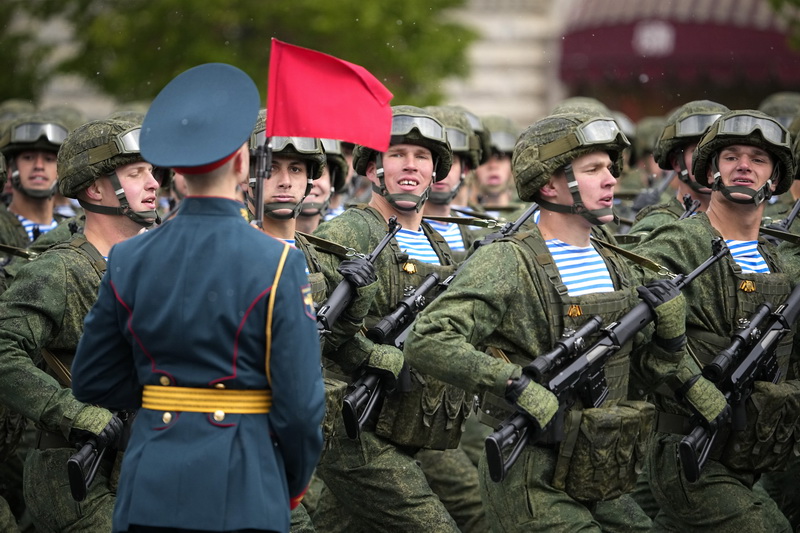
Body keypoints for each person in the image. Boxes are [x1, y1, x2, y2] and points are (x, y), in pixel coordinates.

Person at [404, 110, 727, 532]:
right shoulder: (507, 260)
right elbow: (427, 340)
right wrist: (514, 384)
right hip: (532, 474)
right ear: (549, 183)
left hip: (601, 468)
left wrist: (669, 337)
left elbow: (647, 371)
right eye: (593, 169)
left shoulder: (617, 261)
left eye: (610, 168)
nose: (612, 179)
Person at [70, 63, 325, 533]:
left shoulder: (128, 259)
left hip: (150, 486)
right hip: (245, 486)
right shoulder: (278, 263)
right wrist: (289, 484)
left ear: (177, 173)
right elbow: (301, 406)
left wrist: (172, 394)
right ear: (244, 165)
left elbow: (91, 380)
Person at [311, 105, 487, 533]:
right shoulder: (348, 233)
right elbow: (316, 328)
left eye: (422, 157)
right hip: (358, 430)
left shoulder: (439, 245)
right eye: (397, 154)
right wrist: (377, 357)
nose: (410, 165)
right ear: (373, 169)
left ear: (434, 173)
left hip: (413, 424)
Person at [633, 109, 800, 532]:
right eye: (731, 157)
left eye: (759, 160)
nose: (744, 166)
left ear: (775, 180)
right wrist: (688, 375)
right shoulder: (680, 244)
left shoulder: (778, 259)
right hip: (689, 450)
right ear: (711, 172)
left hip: (752, 451)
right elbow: (636, 338)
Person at [0, 116, 161, 532]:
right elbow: (3, 350)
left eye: (152, 171)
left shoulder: (160, 265)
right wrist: (73, 412)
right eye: (136, 173)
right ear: (95, 188)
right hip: (75, 472)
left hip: (148, 459)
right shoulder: (59, 272)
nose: (154, 183)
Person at [625, 100, 730, 241]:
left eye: (721, 153)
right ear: (676, 162)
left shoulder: (749, 224)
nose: (710, 162)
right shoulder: (655, 230)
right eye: (698, 152)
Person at [0, 112, 70, 264]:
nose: (39, 166)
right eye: (28, 157)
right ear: (10, 167)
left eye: (49, 159)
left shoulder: (76, 228)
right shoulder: (2, 228)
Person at [421, 105, 483, 261]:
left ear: (465, 169)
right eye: (434, 160)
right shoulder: (402, 229)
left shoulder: (475, 231)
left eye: (451, 162)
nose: (442, 172)